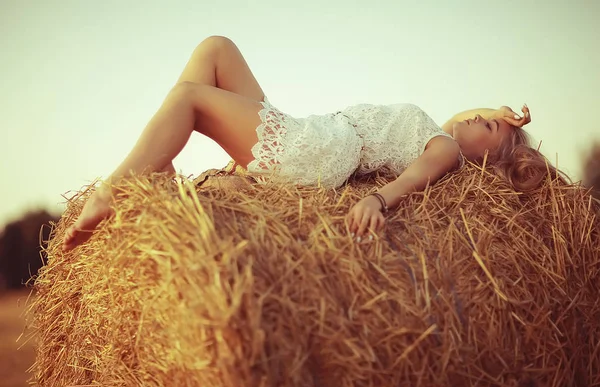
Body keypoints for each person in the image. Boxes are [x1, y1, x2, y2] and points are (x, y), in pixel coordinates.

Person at [62, 35, 548, 252]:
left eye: (489, 128)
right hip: (313, 134)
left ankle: (116, 188)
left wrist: (376, 200)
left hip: (321, 149)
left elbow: (415, 177)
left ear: (485, 156)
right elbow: (463, 115)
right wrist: (503, 114)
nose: (480, 118)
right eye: (485, 116)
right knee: (216, 50)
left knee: (190, 98)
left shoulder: (443, 149)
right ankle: (156, 171)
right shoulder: (445, 128)